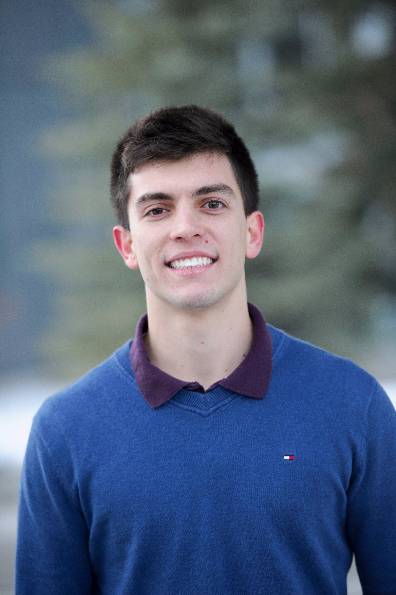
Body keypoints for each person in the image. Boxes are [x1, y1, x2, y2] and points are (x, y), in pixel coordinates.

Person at [16, 105, 396, 595]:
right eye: (157, 209)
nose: (185, 227)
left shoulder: (353, 404)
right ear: (127, 246)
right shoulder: (65, 431)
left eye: (212, 203)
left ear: (252, 231)